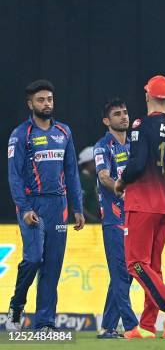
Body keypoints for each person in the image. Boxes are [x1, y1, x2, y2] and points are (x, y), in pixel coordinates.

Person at [6, 80, 85, 332]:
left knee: (52, 266)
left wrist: (77, 207)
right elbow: (14, 175)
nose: (46, 103)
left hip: (58, 206)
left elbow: (72, 171)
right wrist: (24, 207)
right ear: (30, 104)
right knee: (33, 258)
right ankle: (17, 305)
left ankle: (45, 323)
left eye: (49, 99)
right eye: (41, 100)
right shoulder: (21, 134)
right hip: (32, 205)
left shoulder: (64, 132)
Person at [114, 75, 165, 339]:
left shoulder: (141, 124)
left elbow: (136, 163)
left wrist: (121, 182)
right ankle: (146, 326)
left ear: (147, 96)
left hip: (143, 200)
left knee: (135, 263)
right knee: (152, 266)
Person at [94, 98, 138, 338]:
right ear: (106, 121)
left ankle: (107, 327)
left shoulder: (133, 145)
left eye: (125, 112)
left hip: (133, 216)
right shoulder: (103, 146)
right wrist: (121, 188)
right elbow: (103, 176)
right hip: (114, 217)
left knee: (126, 273)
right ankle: (131, 325)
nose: (123, 117)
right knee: (121, 272)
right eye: (117, 114)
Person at [78, 146, 101, 223]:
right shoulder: (82, 180)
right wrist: (94, 219)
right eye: (95, 160)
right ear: (88, 162)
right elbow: (79, 206)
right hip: (85, 225)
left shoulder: (92, 178)